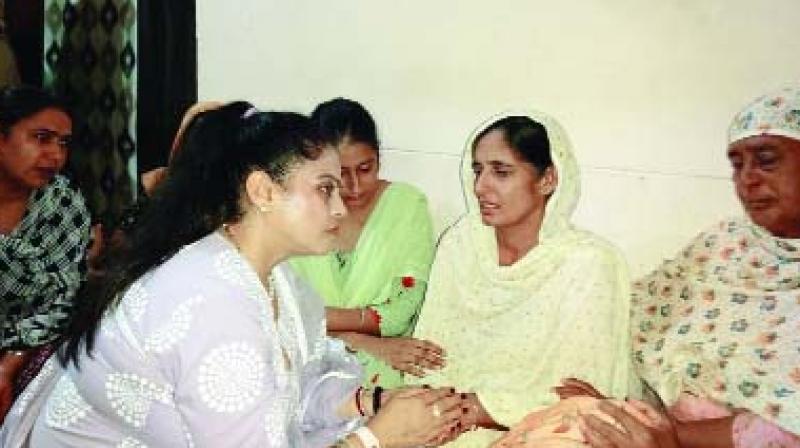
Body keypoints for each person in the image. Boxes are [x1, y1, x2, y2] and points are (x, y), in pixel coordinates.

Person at [0, 102, 463, 447]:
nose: (342, 208)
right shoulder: (212, 302)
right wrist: (377, 438)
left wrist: (371, 403)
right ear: (262, 191)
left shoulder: (277, 281)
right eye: (326, 189)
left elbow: (301, 384)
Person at [571, 84, 800, 448]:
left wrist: (668, 438)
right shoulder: (723, 245)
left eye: (767, 160)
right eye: (737, 165)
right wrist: (612, 396)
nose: (747, 178)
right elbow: (632, 317)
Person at [411, 111, 637, 446]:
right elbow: (432, 357)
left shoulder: (590, 262)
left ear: (547, 180)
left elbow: (581, 395)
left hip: (544, 430)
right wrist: (446, 411)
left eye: (501, 172)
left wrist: (481, 409)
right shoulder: (461, 244)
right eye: (478, 170)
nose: (480, 187)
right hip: (447, 417)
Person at [290, 98, 441, 388]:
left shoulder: (406, 206)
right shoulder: (298, 212)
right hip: (307, 357)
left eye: (365, 169)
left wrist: (324, 323)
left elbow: (400, 312)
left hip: (389, 360)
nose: (355, 187)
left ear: (378, 158)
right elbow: (283, 315)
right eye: (340, 174)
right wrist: (361, 341)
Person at [0, 85, 90, 422]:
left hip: (29, 349)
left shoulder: (63, 204)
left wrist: (8, 365)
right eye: (41, 138)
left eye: (63, 143)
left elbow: (64, 301)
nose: (55, 155)